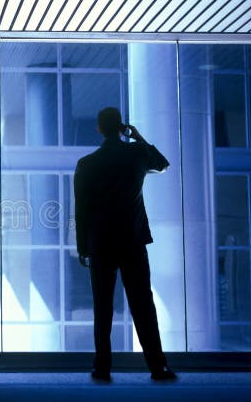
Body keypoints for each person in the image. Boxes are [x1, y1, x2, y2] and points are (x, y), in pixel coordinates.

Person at [73, 107, 177, 383]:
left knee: (102, 306)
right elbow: (163, 164)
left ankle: (102, 367)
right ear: (120, 127)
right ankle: (157, 366)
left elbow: (81, 210)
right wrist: (137, 136)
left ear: (98, 128)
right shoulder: (135, 154)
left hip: (101, 242)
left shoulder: (87, 164)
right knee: (143, 304)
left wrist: (83, 246)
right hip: (131, 240)